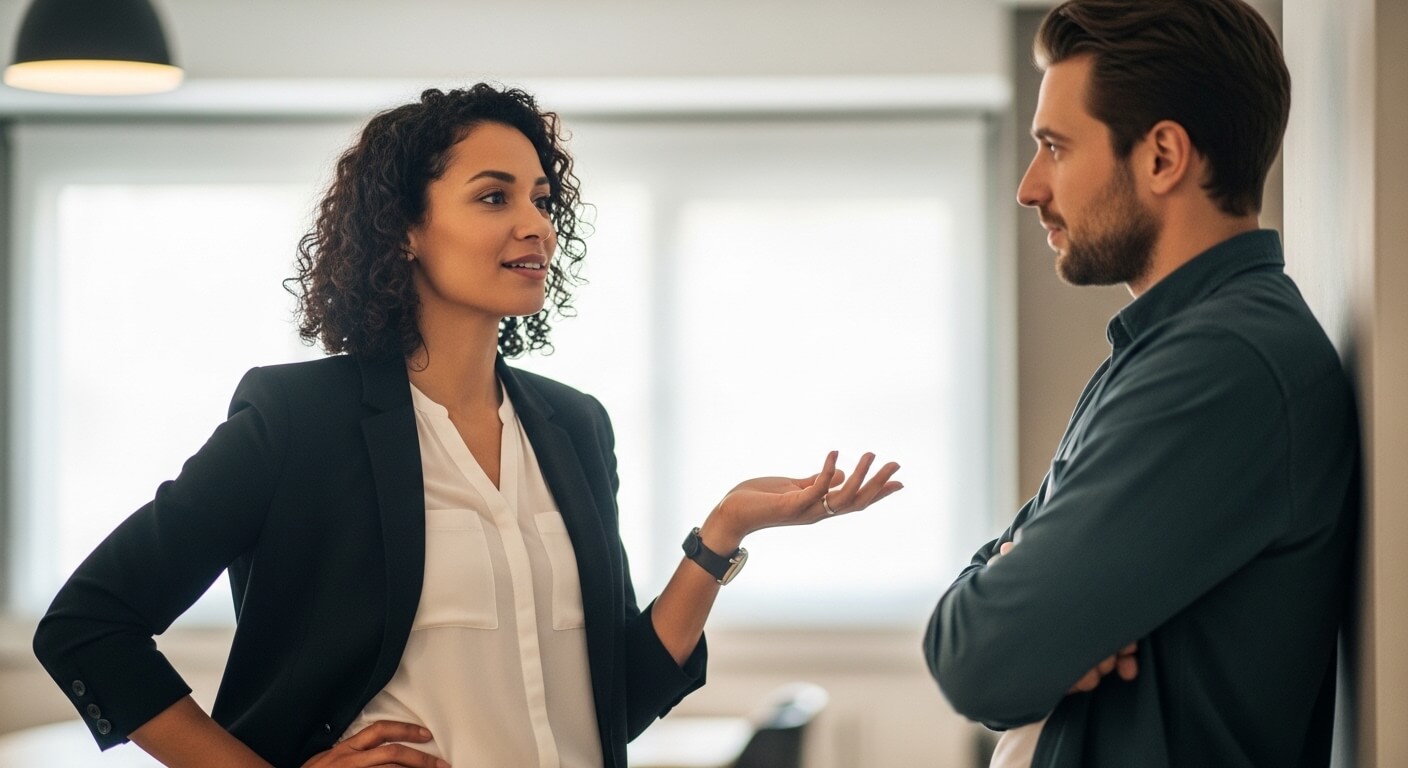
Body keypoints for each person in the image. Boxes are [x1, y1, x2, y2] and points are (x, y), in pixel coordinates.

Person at [32, 84, 903, 768]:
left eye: (541, 196)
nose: (536, 223)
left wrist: (722, 534)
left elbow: (617, 702)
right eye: (494, 197)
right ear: (405, 228)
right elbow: (88, 626)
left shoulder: (573, 426)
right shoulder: (299, 420)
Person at [922, 1, 1358, 766]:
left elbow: (976, 654)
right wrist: (1026, 596)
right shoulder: (1167, 347)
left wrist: (1030, 613)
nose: (1029, 187)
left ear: (1162, 157)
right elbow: (996, 633)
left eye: (1055, 146)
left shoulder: (1224, 363)